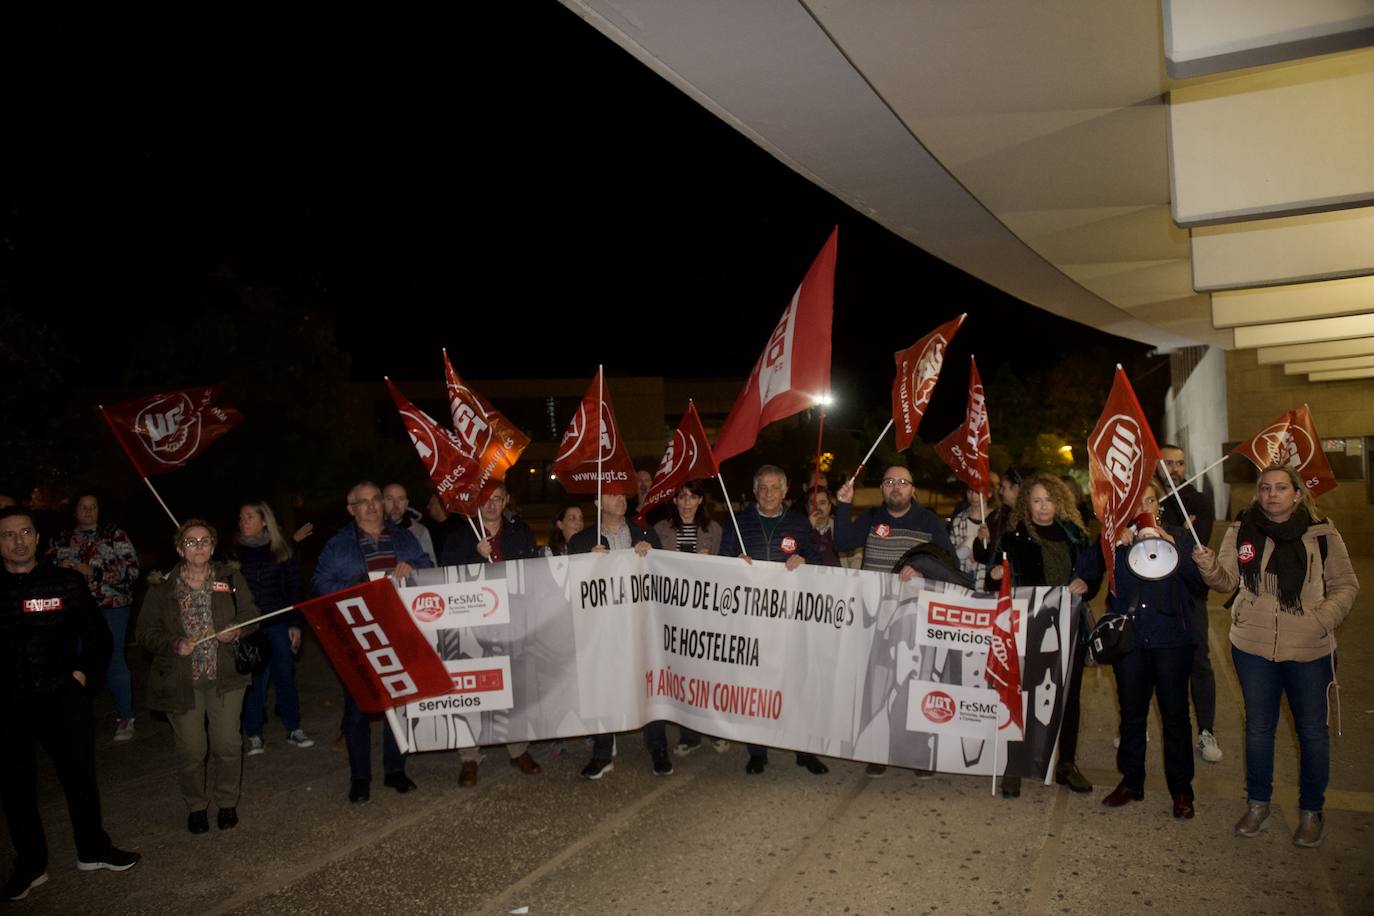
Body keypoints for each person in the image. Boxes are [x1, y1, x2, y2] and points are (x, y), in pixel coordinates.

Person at [1193, 464, 1358, 848]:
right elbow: (1227, 582)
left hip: (1310, 649)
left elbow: (1346, 584)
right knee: (1258, 729)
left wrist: (1322, 619)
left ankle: (1311, 811)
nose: (1272, 494)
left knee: (1313, 732)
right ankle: (1257, 805)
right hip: (1252, 647)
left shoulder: (1322, 532)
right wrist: (1208, 567)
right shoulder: (1242, 529)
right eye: (1265, 488)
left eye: (1281, 488)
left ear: (1297, 494)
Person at [1, 506, 139, 900]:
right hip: (10, 705)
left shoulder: (65, 583)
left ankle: (93, 849)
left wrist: (82, 676)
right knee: (16, 789)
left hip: (63, 698)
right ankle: (31, 865)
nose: (19, 540)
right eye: (9, 534)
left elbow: (98, 636)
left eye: (25, 532)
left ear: (37, 537)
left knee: (80, 779)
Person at [1076, 479, 1203, 819]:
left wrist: (1174, 546)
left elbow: (1199, 584)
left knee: (1176, 717)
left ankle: (1181, 790)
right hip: (1130, 642)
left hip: (1172, 640)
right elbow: (1086, 575)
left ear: (1158, 505)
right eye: (1135, 501)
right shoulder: (1116, 537)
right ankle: (1131, 781)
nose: (1143, 507)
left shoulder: (1177, 535)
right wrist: (1108, 541)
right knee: (1132, 713)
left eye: (1149, 500)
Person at [313, 481, 433, 803]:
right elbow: (320, 583)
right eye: (362, 502)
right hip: (359, 631)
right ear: (351, 510)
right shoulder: (339, 544)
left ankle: (395, 771)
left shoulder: (403, 536)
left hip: (399, 629)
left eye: (375, 500)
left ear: (383, 504)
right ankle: (360, 777)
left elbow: (429, 568)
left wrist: (414, 568)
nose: (371, 506)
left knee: (400, 701)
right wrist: (353, 584)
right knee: (358, 707)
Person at [137, 520, 259, 834]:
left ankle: (227, 801)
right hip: (181, 681)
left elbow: (252, 615)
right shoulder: (162, 586)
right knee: (192, 749)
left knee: (228, 744)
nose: (199, 546)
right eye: (191, 542)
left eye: (205, 540)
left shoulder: (229, 578)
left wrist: (238, 630)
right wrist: (173, 643)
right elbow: (145, 633)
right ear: (180, 548)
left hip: (226, 676)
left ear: (213, 546)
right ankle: (195, 805)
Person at [719, 465, 830, 776]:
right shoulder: (739, 522)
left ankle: (804, 750)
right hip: (751, 619)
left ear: (785, 491)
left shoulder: (797, 522)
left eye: (774, 488)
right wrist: (732, 563)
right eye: (762, 488)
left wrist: (805, 560)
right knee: (757, 685)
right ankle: (758, 751)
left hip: (790, 618)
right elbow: (720, 560)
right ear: (755, 492)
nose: (768, 493)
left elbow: (818, 560)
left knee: (796, 683)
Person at [993, 473, 1092, 798]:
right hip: (1028, 630)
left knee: (1069, 699)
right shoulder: (1013, 537)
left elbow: (1094, 569)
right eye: (1036, 500)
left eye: (1049, 500)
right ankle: (1016, 765)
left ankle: (1067, 763)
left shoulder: (1075, 535)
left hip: (1070, 628)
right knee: (1023, 697)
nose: (1043, 506)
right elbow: (995, 573)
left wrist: (1085, 581)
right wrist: (996, 574)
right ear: (1026, 504)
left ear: (1059, 502)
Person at [438, 484, 543, 786]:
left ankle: (518, 749)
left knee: (515, 689)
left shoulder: (520, 533)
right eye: (487, 499)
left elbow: (533, 573)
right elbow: (444, 575)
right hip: (472, 624)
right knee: (473, 690)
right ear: (476, 502)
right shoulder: (459, 536)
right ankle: (469, 758)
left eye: (498, 499)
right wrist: (474, 557)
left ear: (507, 501)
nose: (493, 505)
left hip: (512, 622)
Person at [569, 490, 663, 779]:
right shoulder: (581, 541)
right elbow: (569, 586)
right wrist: (586, 563)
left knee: (648, 685)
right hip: (601, 630)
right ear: (597, 502)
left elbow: (664, 578)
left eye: (623, 494)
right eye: (612, 494)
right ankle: (602, 752)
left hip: (639, 626)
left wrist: (653, 556)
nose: (621, 499)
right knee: (602, 685)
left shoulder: (644, 534)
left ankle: (658, 748)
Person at [44, 493, 140, 742]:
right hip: (74, 610)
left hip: (112, 606)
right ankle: (76, 719)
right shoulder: (62, 538)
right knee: (75, 662)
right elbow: (44, 572)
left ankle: (125, 717)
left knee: (114, 659)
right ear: (75, 511)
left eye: (93, 507)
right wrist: (60, 570)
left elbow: (132, 571)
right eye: (83, 507)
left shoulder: (113, 535)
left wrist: (94, 572)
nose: (88, 512)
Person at [651, 481, 728, 756]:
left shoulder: (714, 530)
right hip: (673, 614)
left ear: (700, 500)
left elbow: (725, 569)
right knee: (682, 676)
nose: (686, 503)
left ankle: (713, 730)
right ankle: (689, 734)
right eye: (681, 497)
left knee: (707, 674)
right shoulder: (660, 530)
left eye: (692, 497)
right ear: (674, 501)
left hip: (705, 613)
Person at [230, 501, 313, 756]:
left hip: (278, 623)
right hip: (250, 627)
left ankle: (293, 728)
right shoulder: (232, 553)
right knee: (254, 682)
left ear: (264, 520)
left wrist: (295, 624)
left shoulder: (280, 549)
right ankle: (254, 734)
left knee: (285, 677)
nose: (243, 521)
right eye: (241, 517)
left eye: (249, 516)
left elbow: (293, 589)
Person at [1157, 443, 1222, 764]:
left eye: (1179, 463)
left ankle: (1206, 731)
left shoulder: (1198, 501)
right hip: (1155, 596)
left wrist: (1172, 533)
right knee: (1153, 663)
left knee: (1200, 662)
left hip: (1191, 594)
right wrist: (1178, 531)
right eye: (1167, 463)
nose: (1174, 469)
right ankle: (1135, 726)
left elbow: (1195, 544)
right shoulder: (1150, 500)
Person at [834, 465, 955, 575]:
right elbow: (842, 545)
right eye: (889, 482)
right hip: (873, 597)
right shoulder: (869, 517)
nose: (896, 487)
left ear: (913, 490)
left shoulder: (930, 521)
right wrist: (844, 505)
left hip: (912, 598)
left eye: (903, 482)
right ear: (881, 488)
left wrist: (923, 571)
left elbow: (951, 562)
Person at [974, 467, 1023, 589]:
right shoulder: (996, 517)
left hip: (1021, 590)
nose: (1000, 492)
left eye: (1004, 487)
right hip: (996, 588)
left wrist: (1009, 569)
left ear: (1016, 489)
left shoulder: (1033, 518)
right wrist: (982, 542)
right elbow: (984, 557)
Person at [947, 482, 990, 585]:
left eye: (978, 492)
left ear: (989, 493)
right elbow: (951, 553)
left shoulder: (996, 519)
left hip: (987, 581)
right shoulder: (959, 520)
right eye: (970, 491)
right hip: (963, 579)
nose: (973, 496)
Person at [383, 482, 437, 565]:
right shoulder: (369, 530)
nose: (396, 505)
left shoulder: (420, 531)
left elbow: (431, 565)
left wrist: (411, 567)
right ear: (381, 502)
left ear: (406, 503)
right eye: (390, 499)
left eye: (400, 499)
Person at [802, 485, 841, 567]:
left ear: (829, 506)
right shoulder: (799, 531)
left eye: (822, 503)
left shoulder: (840, 527)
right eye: (813, 503)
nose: (818, 507)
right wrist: (808, 528)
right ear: (806, 507)